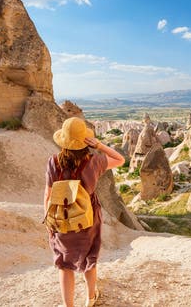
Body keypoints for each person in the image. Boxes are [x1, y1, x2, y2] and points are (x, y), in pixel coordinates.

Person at [44, 117, 125, 307]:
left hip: (61, 217)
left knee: (64, 265)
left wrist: (48, 220)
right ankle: (90, 298)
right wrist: (99, 145)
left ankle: (68, 305)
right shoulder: (95, 161)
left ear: (64, 141)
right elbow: (120, 159)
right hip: (87, 218)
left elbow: (47, 193)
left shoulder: (53, 162)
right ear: (84, 141)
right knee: (89, 258)